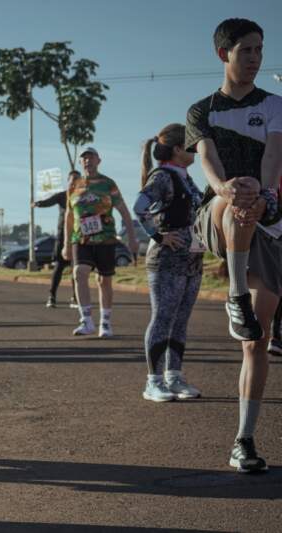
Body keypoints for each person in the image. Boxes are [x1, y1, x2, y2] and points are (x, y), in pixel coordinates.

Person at [186, 18, 282, 473]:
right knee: (235, 197)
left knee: (255, 341)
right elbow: (207, 157)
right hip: (217, 211)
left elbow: (273, 154)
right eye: (246, 50)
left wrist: (264, 193)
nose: (255, 58)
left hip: (265, 219)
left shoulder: (275, 105)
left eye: (260, 49)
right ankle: (235, 293)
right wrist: (224, 187)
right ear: (223, 54)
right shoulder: (201, 110)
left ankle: (244, 440)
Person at [134, 124, 204, 402]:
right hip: (167, 262)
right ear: (177, 149)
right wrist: (158, 236)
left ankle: (174, 377)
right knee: (163, 318)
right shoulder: (163, 176)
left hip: (192, 261)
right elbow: (140, 206)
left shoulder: (186, 177)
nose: (196, 149)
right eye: (191, 145)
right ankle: (153, 382)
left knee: (181, 321)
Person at [62, 147, 139, 337]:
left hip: (105, 239)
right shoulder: (74, 185)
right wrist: (66, 243)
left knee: (104, 280)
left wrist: (132, 238)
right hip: (81, 239)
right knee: (79, 273)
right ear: (80, 162)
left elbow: (124, 211)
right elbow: (69, 215)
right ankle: (86, 321)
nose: (88, 161)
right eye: (84, 158)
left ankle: (105, 322)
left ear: (99, 160)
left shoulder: (108, 184)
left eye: (91, 157)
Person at [33, 171, 78, 308]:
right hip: (62, 235)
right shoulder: (62, 196)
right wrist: (38, 203)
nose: (75, 183)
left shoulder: (83, 196)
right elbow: (49, 201)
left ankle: (75, 298)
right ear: (68, 181)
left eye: (77, 180)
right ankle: (51, 296)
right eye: (72, 180)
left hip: (78, 236)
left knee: (76, 268)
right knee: (59, 266)